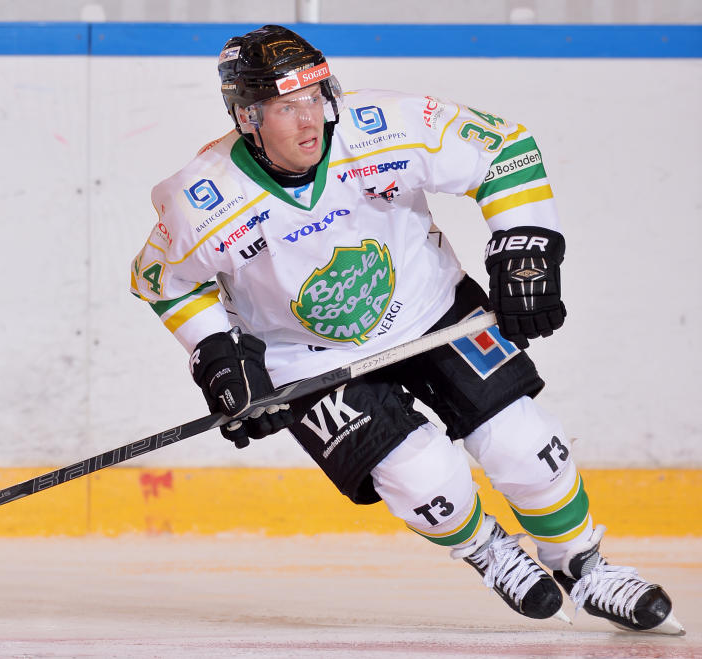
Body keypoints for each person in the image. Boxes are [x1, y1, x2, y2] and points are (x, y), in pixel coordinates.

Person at [129, 24, 683, 633]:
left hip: (433, 312)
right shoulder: (200, 200)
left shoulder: (382, 126)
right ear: (247, 116)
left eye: (316, 96)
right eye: (287, 107)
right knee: (424, 480)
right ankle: (487, 551)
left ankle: (585, 568)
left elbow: (504, 148)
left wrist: (525, 245)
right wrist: (215, 354)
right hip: (310, 359)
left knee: (524, 445)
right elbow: (163, 280)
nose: (310, 120)